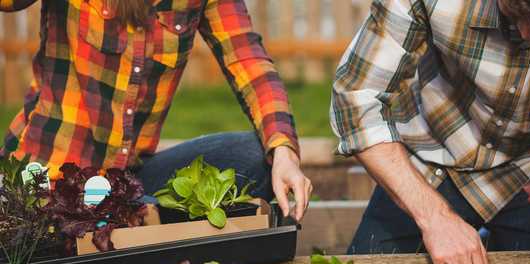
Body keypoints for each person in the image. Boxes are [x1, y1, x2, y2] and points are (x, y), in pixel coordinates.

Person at [331, 0, 530, 264]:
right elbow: (356, 98)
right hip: (431, 156)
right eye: (514, 15)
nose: (526, 34)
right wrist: (434, 218)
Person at [0, 0, 312, 220]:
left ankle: (135, 226)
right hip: (47, 182)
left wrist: (285, 152)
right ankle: (136, 229)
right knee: (138, 214)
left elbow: (247, 61)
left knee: (256, 157)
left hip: (124, 181)